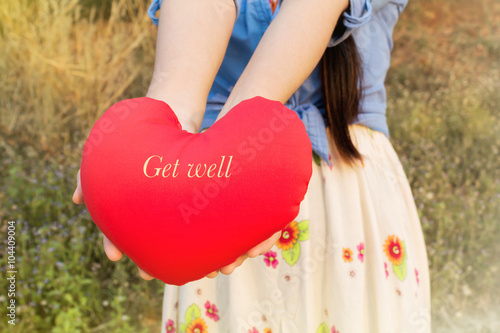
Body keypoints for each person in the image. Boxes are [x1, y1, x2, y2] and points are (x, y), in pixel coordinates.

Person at [73, 0, 431, 331]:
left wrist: (235, 158)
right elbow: (178, 91)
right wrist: (139, 163)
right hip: (214, 201)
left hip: (343, 201)